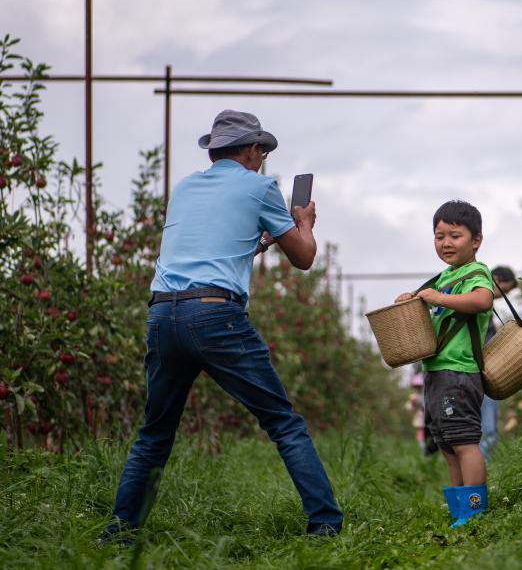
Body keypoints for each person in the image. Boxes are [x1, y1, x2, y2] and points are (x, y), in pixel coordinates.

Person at [100, 110, 343, 545]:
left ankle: (119, 532)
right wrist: (302, 222)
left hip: (163, 316)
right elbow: (304, 257)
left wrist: (265, 238)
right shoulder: (260, 186)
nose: (263, 159)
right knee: (283, 424)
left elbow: (212, 248)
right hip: (215, 316)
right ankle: (325, 525)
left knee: (154, 433)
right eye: (262, 151)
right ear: (252, 150)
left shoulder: (185, 188)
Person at [394, 200, 493, 528]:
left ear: (475, 240)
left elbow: (482, 300)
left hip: (459, 372)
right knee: (448, 446)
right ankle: (461, 511)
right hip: (438, 373)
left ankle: (475, 511)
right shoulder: (447, 276)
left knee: (464, 443)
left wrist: (440, 298)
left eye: (455, 235)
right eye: (439, 237)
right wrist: (415, 299)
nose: (446, 243)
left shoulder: (476, 273)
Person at [480, 265, 519, 460]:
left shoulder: (483, 304)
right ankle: (482, 472)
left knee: (483, 427)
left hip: (480, 371)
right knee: (488, 429)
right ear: (496, 279)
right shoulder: (481, 302)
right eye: (506, 289)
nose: (505, 295)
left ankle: (476, 472)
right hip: (483, 373)